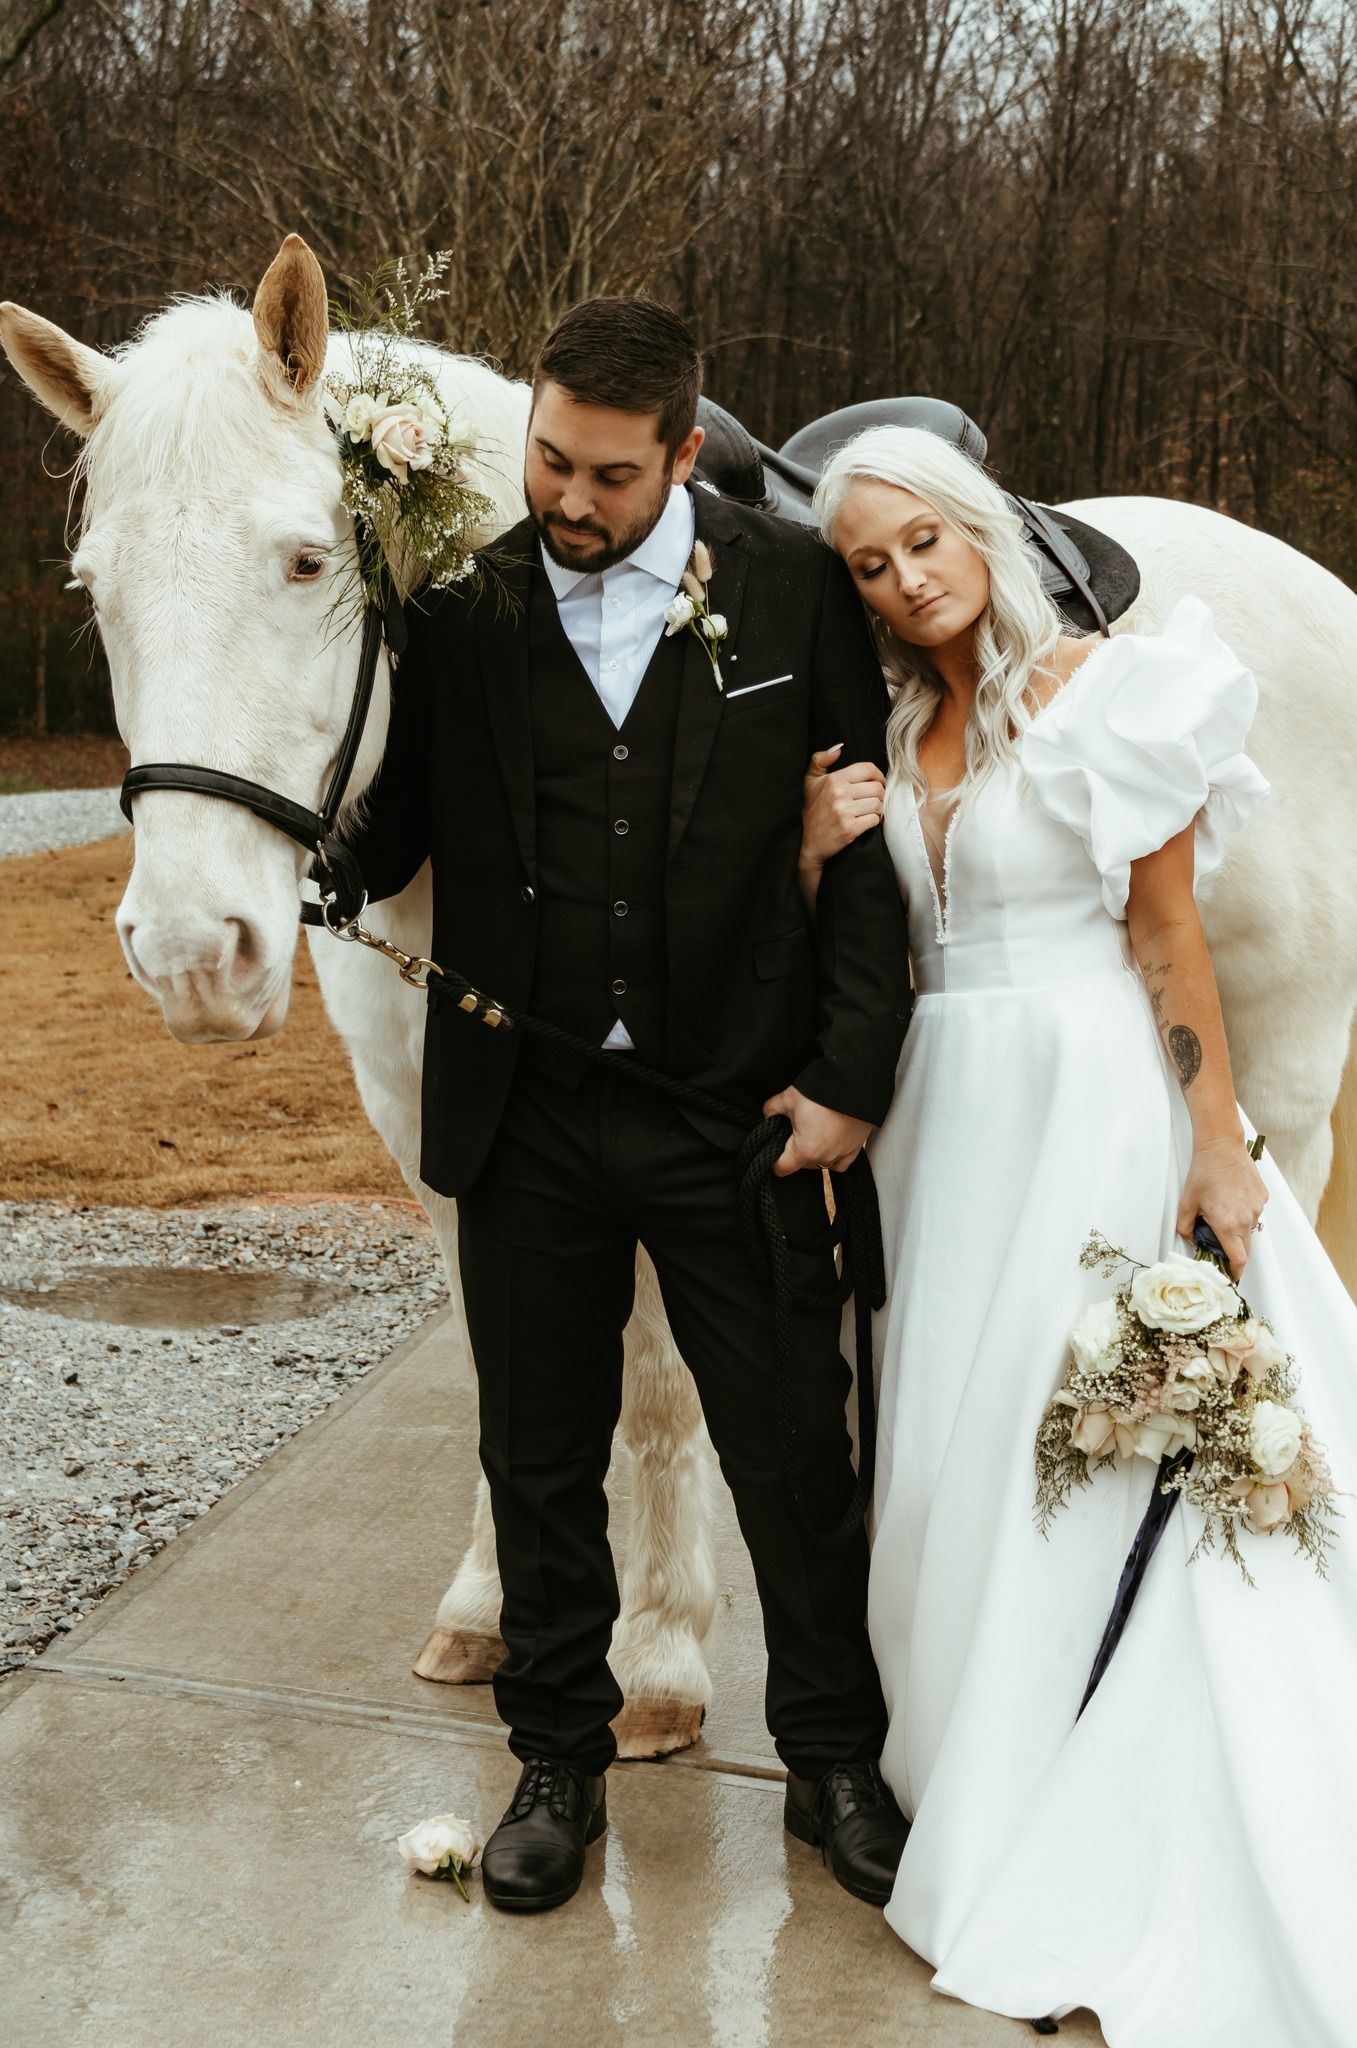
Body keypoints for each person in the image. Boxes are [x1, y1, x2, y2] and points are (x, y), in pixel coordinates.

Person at [343, 299, 913, 1914]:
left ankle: (829, 1762)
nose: (566, 500)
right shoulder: (456, 604)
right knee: (537, 1457)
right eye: (546, 459)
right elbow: (386, 839)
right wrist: (275, 830)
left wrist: (852, 1079)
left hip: (731, 1107)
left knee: (792, 1450)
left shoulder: (793, 585)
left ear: (681, 455)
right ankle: (555, 1764)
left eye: (605, 473)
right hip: (525, 1111)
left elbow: (859, 853)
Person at [799, 425, 1357, 2047]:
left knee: (1107, 1452)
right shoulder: (895, 737)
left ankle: (1098, 1809)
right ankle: (964, 1754)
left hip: (1093, 1106)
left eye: (924, 543)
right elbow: (877, 941)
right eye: (870, 565)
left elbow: (1166, 938)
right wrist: (821, 845)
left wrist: (1213, 1145)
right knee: (953, 1456)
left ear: (978, 531)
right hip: (942, 1124)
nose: (907, 582)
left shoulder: (1109, 693)